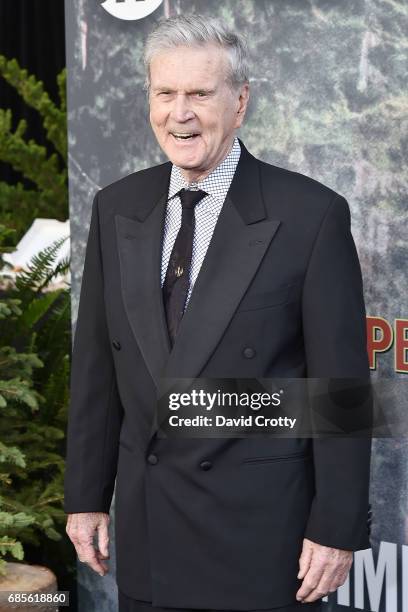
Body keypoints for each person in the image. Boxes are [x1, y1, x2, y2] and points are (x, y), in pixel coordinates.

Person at [64, 13, 372, 612]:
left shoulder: (311, 215)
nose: (180, 113)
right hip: (150, 534)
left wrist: (336, 528)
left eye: (200, 94)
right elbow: (99, 371)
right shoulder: (116, 207)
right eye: (165, 93)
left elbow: (340, 389)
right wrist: (85, 496)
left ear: (240, 101)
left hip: (260, 537)